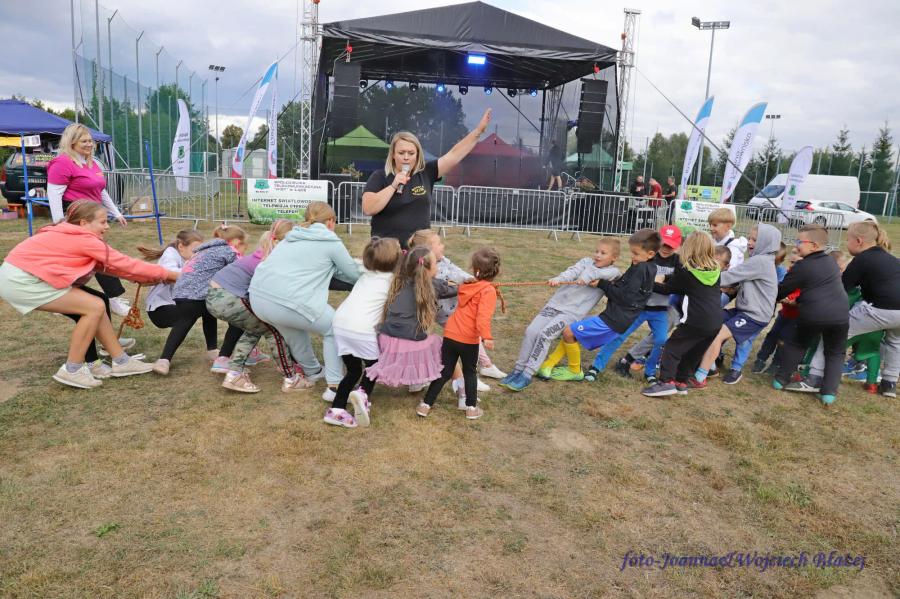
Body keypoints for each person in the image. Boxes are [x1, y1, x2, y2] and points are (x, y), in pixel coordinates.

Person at [0, 200, 177, 388]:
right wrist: (172, 275)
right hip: (21, 281)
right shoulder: (83, 239)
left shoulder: (72, 233)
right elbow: (125, 263)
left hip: (18, 277)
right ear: (84, 223)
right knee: (94, 306)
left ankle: (121, 361)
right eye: (102, 222)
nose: (107, 226)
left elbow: (108, 267)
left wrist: (144, 277)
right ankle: (72, 370)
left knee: (96, 303)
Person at [250, 202, 361, 394]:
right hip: (287, 300)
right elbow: (353, 274)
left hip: (258, 298)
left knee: (293, 331)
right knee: (334, 327)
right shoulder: (330, 242)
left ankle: (313, 371)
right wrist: (372, 270)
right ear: (331, 221)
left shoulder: (291, 238)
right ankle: (335, 385)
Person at [499, 238, 621, 392]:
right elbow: (572, 271)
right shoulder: (585, 262)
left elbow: (599, 273)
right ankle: (518, 370)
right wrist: (559, 279)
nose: (597, 255)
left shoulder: (612, 273)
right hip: (554, 304)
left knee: (544, 335)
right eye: (596, 251)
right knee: (531, 331)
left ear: (614, 258)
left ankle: (527, 374)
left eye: (603, 253)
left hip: (570, 313)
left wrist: (586, 277)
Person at [362, 109, 492, 247]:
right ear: (393, 155)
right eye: (401, 153)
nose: (406, 157)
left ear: (417, 155)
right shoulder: (380, 177)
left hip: (419, 252)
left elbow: (454, 155)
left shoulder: (426, 173)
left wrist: (478, 131)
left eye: (411, 153)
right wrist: (393, 185)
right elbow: (368, 208)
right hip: (386, 252)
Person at [541, 229, 659, 382]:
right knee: (573, 333)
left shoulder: (641, 269)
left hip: (613, 320)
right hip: (618, 319)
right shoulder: (649, 267)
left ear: (650, 254)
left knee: (569, 332)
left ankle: (574, 370)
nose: (632, 256)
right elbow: (629, 289)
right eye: (632, 252)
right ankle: (548, 364)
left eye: (635, 254)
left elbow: (626, 297)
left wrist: (603, 284)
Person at [799, 221, 899, 398]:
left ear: (859, 241)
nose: (846, 243)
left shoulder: (862, 259)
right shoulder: (890, 258)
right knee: (895, 342)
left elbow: (841, 288)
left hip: (878, 309)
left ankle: (814, 377)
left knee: (833, 334)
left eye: (848, 239)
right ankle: (889, 383)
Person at [408, 229, 503, 399]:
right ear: (428, 250)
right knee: (459, 342)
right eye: (439, 244)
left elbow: (457, 272)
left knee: (467, 337)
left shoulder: (443, 260)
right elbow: (448, 287)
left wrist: (473, 280)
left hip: (453, 309)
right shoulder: (429, 269)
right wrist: (475, 285)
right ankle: (466, 381)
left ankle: (486, 365)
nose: (442, 246)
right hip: (444, 312)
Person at [48, 123, 131, 317]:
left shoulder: (91, 163)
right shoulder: (62, 163)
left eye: (90, 141)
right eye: (84, 141)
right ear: (72, 142)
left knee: (79, 259)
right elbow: (54, 195)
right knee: (99, 255)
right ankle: (113, 298)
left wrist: (116, 213)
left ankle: (59, 297)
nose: (89, 144)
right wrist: (60, 225)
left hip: (93, 217)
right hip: (77, 218)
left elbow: (100, 190)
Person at [206, 219, 298, 394]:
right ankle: (291, 377)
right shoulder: (268, 262)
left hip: (214, 297)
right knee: (272, 330)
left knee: (254, 329)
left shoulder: (262, 254)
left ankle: (234, 373)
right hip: (228, 298)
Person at [691, 224, 782, 388]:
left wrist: (700, 276)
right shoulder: (762, 260)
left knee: (718, 334)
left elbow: (729, 276)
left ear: (766, 242)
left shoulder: (760, 261)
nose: (749, 242)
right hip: (744, 311)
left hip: (754, 316)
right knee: (711, 321)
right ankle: (710, 365)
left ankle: (700, 377)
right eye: (749, 238)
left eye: (754, 239)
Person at [325, 237, 403, 428]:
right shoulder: (393, 280)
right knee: (374, 368)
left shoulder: (365, 271)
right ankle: (362, 395)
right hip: (362, 329)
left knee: (353, 371)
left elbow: (357, 261)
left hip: (340, 324)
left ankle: (336, 410)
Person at [153, 224, 248, 375]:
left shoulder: (204, 250)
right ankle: (222, 356)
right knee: (237, 317)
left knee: (186, 322)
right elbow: (239, 272)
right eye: (244, 245)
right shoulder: (230, 251)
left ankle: (164, 360)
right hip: (199, 294)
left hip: (181, 293)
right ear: (236, 242)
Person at [772, 225, 849, 405]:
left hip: (813, 314)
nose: (796, 245)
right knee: (835, 352)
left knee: (797, 344)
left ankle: (780, 380)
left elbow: (782, 290)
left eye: (799, 241)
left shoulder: (802, 266)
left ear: (814, 245)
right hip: (840, 314)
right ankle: (829, 393)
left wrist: (774, 297)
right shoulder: (831, 262)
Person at [642, 232, 723, 397]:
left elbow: (669, 289)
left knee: (672, 348)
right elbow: (680, 282)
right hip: (715, 321)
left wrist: (648, 283)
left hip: (695, 320)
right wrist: (667, 277)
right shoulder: (715, 269)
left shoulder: (686, 271)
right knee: (693, 352)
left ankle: (666, 382)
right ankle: (681, 382)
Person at [364, 246, 457, 390]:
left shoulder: (398, 282)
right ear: (427, 268)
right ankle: (424, 381)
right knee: (437, 344)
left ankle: (415, 382)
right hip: (410, 341)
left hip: (387, 338)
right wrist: (465, 284)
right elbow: (453, 288)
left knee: (418, 337)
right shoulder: (432, 286)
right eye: (435, 264)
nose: (437, 267)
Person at [599, 225, 682, 383]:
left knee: (660, 340)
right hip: (638, 307)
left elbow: (675, 285)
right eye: (664, 245)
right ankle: (598, 365)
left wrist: (662, 281)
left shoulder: (677, 261)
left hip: (660, 309)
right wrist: (657, 283)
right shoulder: (645, 256)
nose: (666, 249)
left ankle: (650, 372)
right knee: (620, 334)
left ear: (677, 246)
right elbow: (635, 282)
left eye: (670, 246)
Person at [140, 229, 208, 341]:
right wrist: (194, 269)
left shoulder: (187, 257)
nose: (198, 255)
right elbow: (171, 273)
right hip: (159, 309)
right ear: (181, 246)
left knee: (208, 306)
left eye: (200, 251)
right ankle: (167, 353)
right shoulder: (170, 254)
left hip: (175, 303)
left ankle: (212, 348)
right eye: (195, 251)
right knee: (194, 312)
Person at [752, 246, 803, 375]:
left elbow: (800, 294)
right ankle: (760, 359)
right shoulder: (788, 273)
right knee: (772, 335)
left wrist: (788, 298)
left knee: (783, 340)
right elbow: (782, 287)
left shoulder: (805, 276)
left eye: (797, 255)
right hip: (784, 314)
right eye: (793, 254)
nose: (793, 257)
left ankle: (776, 364)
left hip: (795, 317)